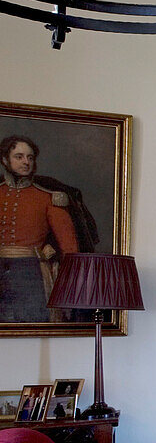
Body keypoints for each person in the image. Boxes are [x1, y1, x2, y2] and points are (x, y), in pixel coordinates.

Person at [0, 135, 98, 322]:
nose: (26, 162)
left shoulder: (48, 197)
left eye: (30, 157)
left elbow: (69, 247)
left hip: (30, 273)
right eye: (19, 157)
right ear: (5, 160)